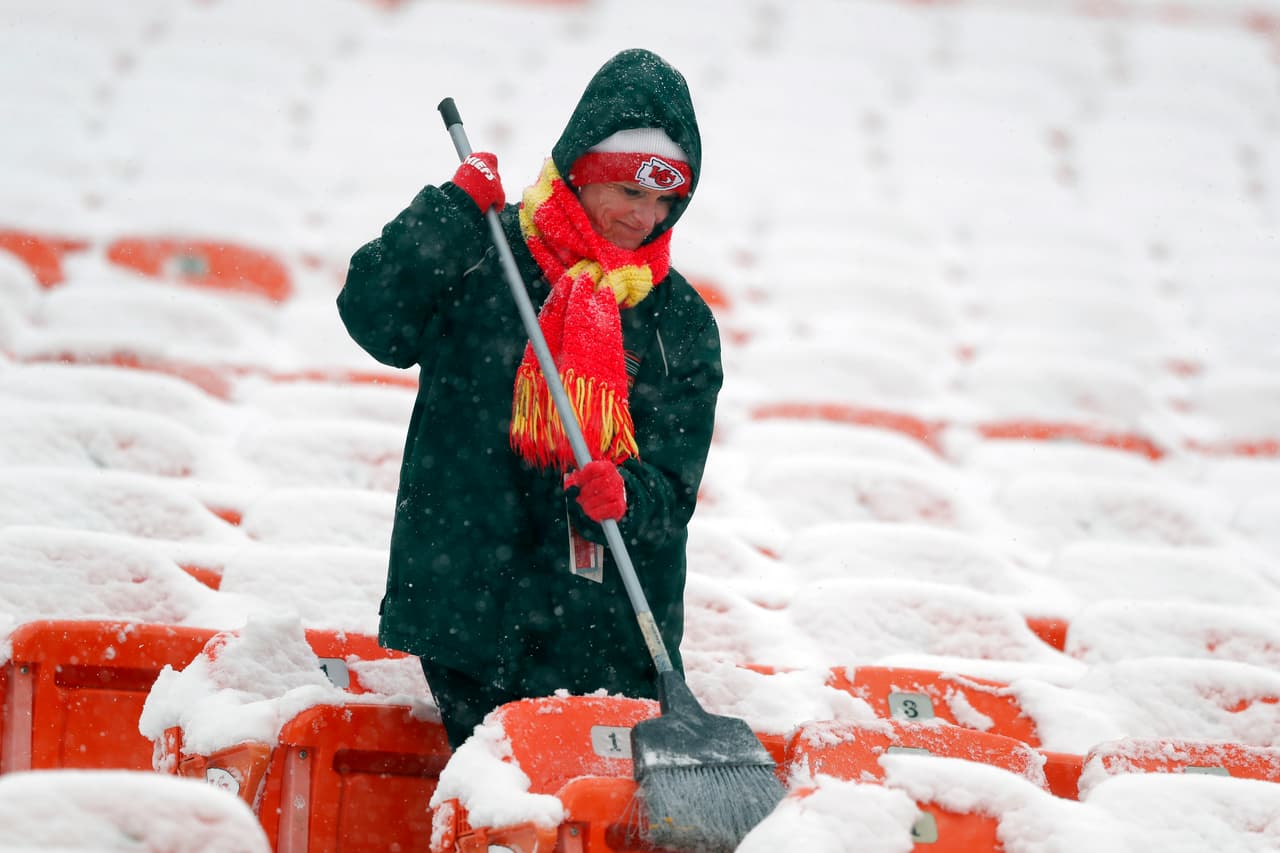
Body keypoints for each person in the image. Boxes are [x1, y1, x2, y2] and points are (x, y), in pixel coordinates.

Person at [337, 48, 722, 749]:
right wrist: (449, 213)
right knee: (501, 793)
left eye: (666, 200)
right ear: (581, 170)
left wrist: (628, 494)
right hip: (470, 608)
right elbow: (374, 317)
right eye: (629, 192)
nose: (646, 217)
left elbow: (674, 485)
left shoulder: (680, 320)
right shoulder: (485, 250)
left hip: (606, 630)